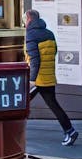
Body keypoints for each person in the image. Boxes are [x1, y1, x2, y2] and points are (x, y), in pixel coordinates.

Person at [25, 9, 79, 146]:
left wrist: (32, 80)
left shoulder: (31, 35)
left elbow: (34, 59)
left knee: (21, 103)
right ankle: (70, 130)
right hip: (48, 76)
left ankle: (11, 132)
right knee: (53, 105)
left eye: (25, 19)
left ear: (29, 19)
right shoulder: (49, 33)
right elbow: (53, 52)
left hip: (37, 79)